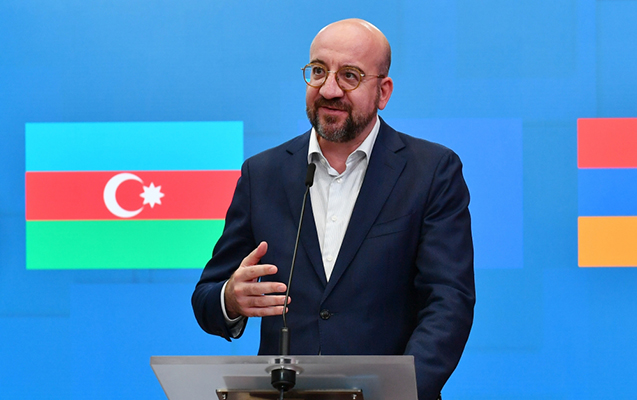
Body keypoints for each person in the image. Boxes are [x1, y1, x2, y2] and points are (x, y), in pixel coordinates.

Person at [192, 18, 475, 400]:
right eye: (318, 71)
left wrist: (400, 393)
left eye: (350, 76)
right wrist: (230, 298)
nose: (329, 89)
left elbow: (449, 302)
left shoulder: (430, 171)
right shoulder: (263, 174)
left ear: (383, 91)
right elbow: (207, 298)